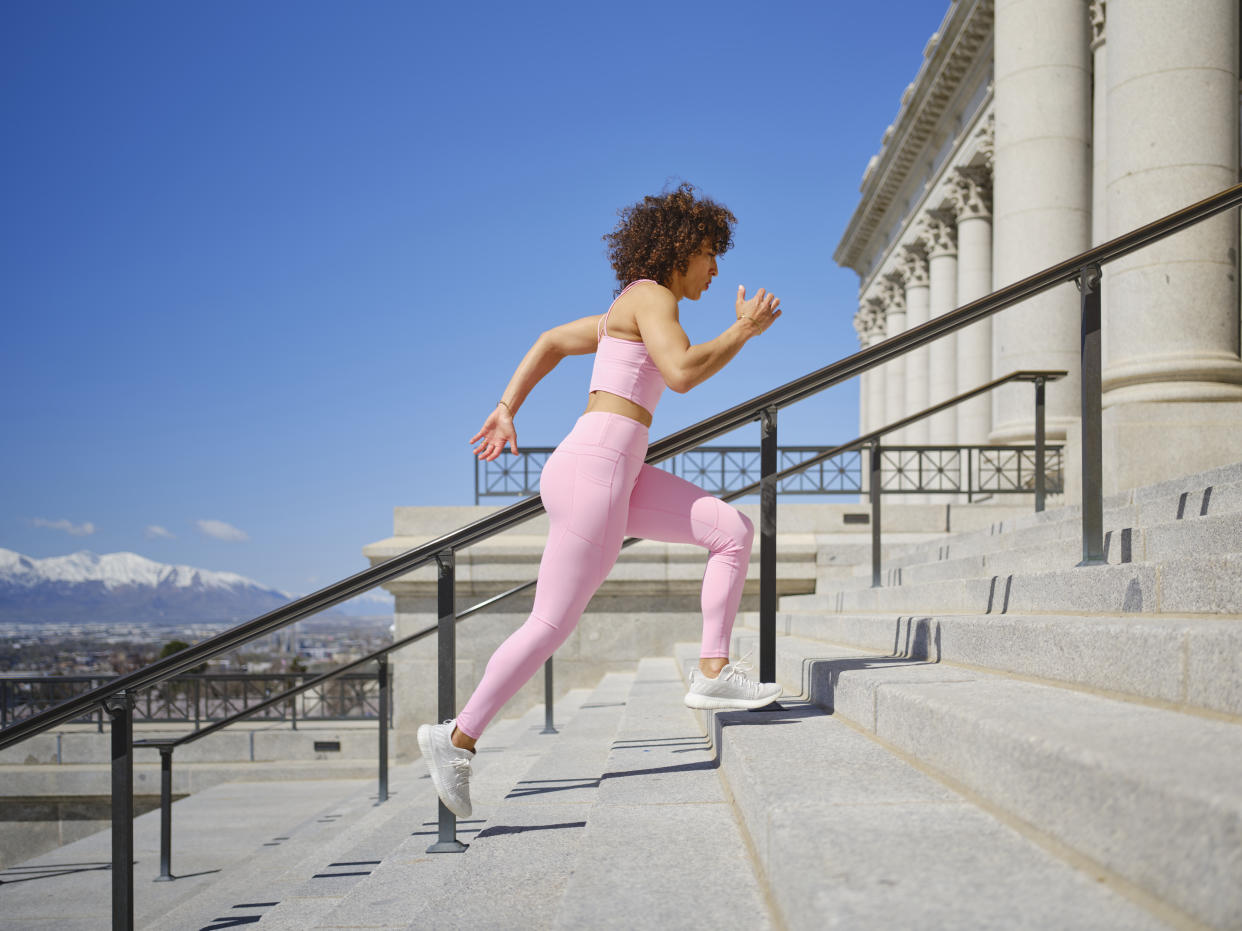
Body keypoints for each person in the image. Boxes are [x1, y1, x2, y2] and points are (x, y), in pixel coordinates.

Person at [418, 183, 783, 818]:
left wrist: (507, 408)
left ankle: (713, 671)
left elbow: (551, 341)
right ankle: (455, 739)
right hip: (597, 470)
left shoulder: (629, 306)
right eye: (709, 253)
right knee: (550, 623)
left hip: (613, 469)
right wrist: (743, 330)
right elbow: (684, 373)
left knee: (730, 529)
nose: (716, 268)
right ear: (680, 247)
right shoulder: (653, 296)